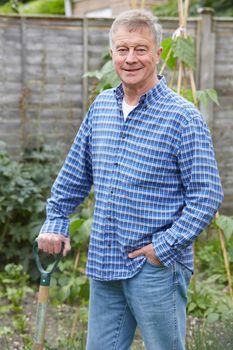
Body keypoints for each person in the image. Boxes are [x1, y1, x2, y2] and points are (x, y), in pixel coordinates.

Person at [37, 9, 223, 350]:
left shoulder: (182, 117)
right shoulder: (102, 108)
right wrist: (55, 220)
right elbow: (73, 176)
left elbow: (207, 196)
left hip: (155, 270)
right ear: (112, 55)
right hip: (105, 263)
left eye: (140, 49)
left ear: (158, 53)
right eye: (123, 49)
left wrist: (161, 250)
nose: (131, 58)